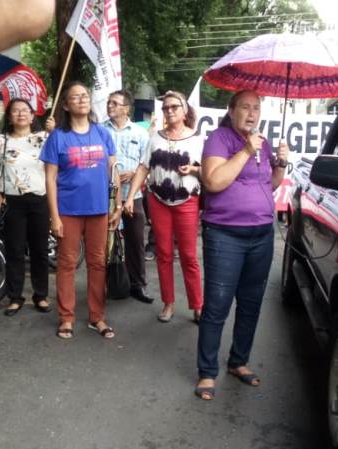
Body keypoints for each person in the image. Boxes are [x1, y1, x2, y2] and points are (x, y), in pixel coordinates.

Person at [193, 90, 289, 400]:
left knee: (251, 303)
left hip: (262, 234)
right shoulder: (220, 139)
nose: (252, 113)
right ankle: (207, 372)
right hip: (225, 234)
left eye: (256, 108)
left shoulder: (263, 142)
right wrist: (247, 151)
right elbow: (214, 182)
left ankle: (239, 361)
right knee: (217, 305)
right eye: (245, 107)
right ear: (231, 110)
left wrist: (281, 165)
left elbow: (268, 186)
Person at [42, 81, 121, 340]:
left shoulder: (102, 133)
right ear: (66, 105)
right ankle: (66, 318)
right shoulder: (58, 137)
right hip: (68, 211)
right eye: (75, 97)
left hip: (99, 209)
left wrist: (117, 204)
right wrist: (54, 215)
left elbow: (113, 171)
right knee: (66, 264)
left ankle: (97, 317)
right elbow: (50, 178)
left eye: (85, 95)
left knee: (98, 263)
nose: (81, 99)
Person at [124, 91, 203, 324]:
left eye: (174, 107)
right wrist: (130, 197)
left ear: (184, 110)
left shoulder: (197, 139)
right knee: (163, 254)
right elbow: (142, 168)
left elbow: (208, 169)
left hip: (187, 201)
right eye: (166, 107)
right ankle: (168, 303)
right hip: (158, 201)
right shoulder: (155, 138)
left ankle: (197, 305)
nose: (169, 111)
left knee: (189, 256)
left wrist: (195, 170)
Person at [0, 98, 55, 316]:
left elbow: (61, 160)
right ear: (9, 116)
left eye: (25, 110)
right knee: (14, 250)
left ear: (33, 116)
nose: (21, 114)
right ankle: (15, 297)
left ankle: (41, 295)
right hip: (12, 202)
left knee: (40, 250)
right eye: (16, 111)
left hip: (40, 199)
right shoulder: (0, 141)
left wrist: (54, 131)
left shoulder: (45, 138)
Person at [103, 90, 154, 304]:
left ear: (126, 108)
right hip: (105, 197)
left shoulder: (141, 134)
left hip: (134, 194)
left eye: (115, 103)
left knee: (135, 241)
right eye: (109, 102)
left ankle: (137, 285)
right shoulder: (99, 130)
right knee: (106, 243)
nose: (110, 106)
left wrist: (133, 174)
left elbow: (147, 166)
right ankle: (110, 284)